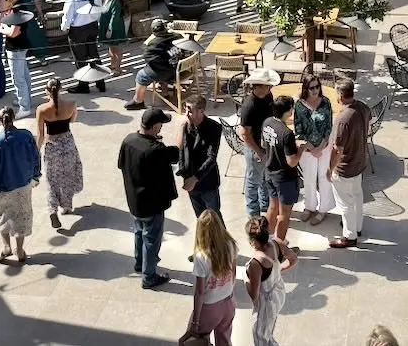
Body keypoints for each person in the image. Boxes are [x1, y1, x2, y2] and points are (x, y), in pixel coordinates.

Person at [117, 107, 179, 289]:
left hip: (134, 201)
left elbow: (121, 164)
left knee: (139, 232)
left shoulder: (128, 140)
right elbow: (175, 154)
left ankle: (139, 263)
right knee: (151, 239)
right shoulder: (155, 149)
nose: (161, 128)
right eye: (160, 124)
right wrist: (181, 129)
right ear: (154, 126)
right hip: (152, 204)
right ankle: (149, 276)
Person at [0, 105, 41, 265]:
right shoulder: (26, 136)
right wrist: (36, 175)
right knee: (21, 217)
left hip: (3, 187)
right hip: (23, 184)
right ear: (14, 118)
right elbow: (35, 156)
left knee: (3, 217)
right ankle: (20, 250)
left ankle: (6, 247)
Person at [327, 77, 372, 249]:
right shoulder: (362, 106)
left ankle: (349, 236)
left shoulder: (342, 119)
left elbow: (337, 149)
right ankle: (357, 226)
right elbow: (369, 119)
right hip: (359, 162)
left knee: (344, 203)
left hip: (344, 168)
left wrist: (330, 169)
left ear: (339, 96)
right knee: (357, 196)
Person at [184, 209, 238, 346]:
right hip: (228, 302)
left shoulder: (201, 256)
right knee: (224, 340)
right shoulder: (230, 245)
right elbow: (233, 273)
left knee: (195, 341)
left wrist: (195, 320)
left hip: (209, 307)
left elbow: (200, 292)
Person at [35, 79, 83, 229]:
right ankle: (67, 206)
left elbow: (40, 135)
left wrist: (36, 151)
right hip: (67, 143)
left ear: (46, 91)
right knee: (68, 175)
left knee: (52, 179)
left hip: (52, 146)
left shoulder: (42, 109)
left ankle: (52, 209)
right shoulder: (71, 104)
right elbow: (73, 120)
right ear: (61, 89)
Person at [244, 214, 296, 346]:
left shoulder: (255, 264)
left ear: (252, 241)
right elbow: (293, 259)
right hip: (279, 292)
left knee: (260, 335)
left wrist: (246, 278)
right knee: (269, 327)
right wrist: (278, 270)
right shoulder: (277, 243)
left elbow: (254, 295)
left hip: (266, 301)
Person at [294, 73, 336, 226]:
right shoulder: (299, 105)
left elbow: (329, 126)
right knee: (309, 178)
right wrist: (311, 148)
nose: (315, 90)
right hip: (307, 149)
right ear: (306, 88)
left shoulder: (326, 102)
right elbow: (298, 128)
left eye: (317, 87)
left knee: (324, 178)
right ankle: (309, 206)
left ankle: (323, 209)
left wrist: (321, 146)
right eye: (312, 88)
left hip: (324, 148)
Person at [238, 67, 280, 218]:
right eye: (267, 85)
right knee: (253, 181)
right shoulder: (249, 106)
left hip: (265, 146)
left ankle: (265, 205)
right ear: (258, 86)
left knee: (264, 178)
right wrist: (258, 151)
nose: (270, 88)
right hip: (255, 148)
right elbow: (244, 133)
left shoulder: (268, 97)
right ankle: (253, 215)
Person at [261, 95, 301, 244]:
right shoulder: (287, 133)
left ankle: (265, 240)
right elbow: (292, 162)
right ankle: (278, 248)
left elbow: (265, 145)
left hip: (270, 173)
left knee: (272, 208)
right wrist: (301, 149)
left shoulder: (267, 123)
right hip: (285, 179)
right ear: (289, 111)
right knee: (284, 214)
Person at [125, 19, 189, 110]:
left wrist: (152, 40)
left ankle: (138, 101)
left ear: (154, 32)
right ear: (165, 28)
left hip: (169, 73)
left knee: (141, 75)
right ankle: (165, 93)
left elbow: (146, 56)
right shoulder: (177, 36)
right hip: (180, 69)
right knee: (160, 64)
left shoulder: (154, 45)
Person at [178, 93, 222, 218]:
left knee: (214, 218)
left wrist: (195, 178)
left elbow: (211, 157)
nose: (186, 114)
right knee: (201, 219)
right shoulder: (186, 126)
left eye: (190, 110)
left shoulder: (214, 128)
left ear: (201, 111)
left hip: (207, 182)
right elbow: (181, 151)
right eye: (185, 109)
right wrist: (185, 175)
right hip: (191, 182)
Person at [62, 0, 104, 94]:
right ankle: (100, 82)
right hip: (92, 25)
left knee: (80, 59)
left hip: (78, 29)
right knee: (94, 54)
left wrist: (65, 27)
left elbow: (67, 13)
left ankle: (83, 85)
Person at [0, 0, 33, 118]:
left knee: (18, 78)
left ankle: (24, 107)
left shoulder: (17, 9)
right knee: (24, 74)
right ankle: (26, 99)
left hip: (16, 47)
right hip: (21, 45)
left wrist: (3, 29)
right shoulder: (20, 6)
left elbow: (14, 32)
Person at [11, 0, 49, 64]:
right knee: (35, 36)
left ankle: (21, 58)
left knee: (17, 37)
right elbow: (36, 1)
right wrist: (40, 13)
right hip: (29, 14)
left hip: (17, 15)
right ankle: (42, 58)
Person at [98, 0, 127, 77]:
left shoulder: (115, 0)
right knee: (111, 47)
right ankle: (112, 64)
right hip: (106, 26)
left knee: (117, 48)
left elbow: (114, 17)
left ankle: (118, 67)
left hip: (114, 27)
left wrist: (110, 30)